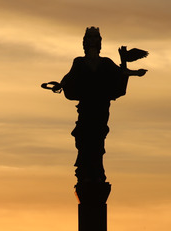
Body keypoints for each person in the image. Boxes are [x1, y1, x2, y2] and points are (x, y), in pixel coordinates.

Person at [47, 27, 147, 186]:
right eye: (90, 37)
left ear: (100, 41)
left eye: (96, 37)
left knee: (97, 142)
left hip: (100, 109)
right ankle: (86, 173)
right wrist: (61, 84)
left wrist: (135, 72)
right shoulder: (79, 61)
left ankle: (97, 173)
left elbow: (121, 73)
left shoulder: (106, 62)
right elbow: (69, 76)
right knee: (85, 141)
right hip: (86, 108)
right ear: (85, 41)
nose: (93, 39)